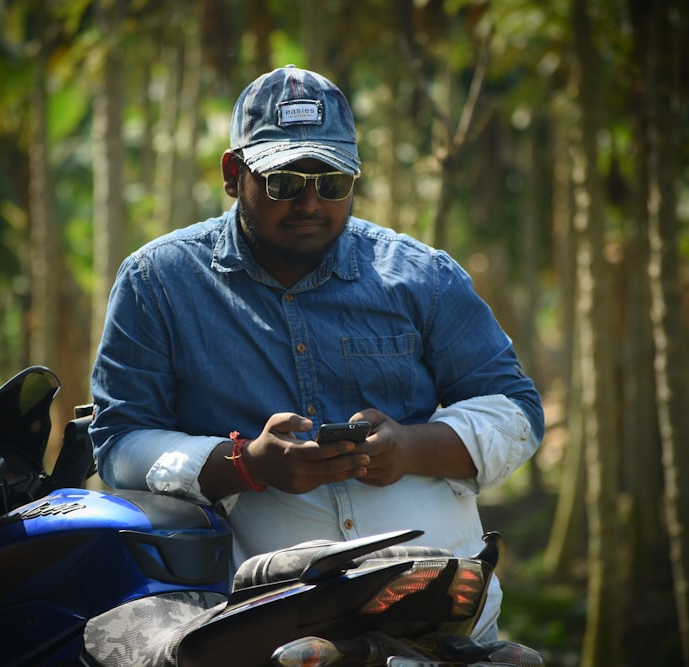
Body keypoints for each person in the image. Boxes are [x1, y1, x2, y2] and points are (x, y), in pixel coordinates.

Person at [89, 65, 544, 642]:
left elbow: (517, 412)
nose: (309, 202)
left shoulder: (423, 278)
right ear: (234, 174)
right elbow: (121, 442)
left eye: (330, 183)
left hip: (443, 615)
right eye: (283, 182)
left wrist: (409, 447)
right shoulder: (158, 283)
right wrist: (248, 464)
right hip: (267, 620)